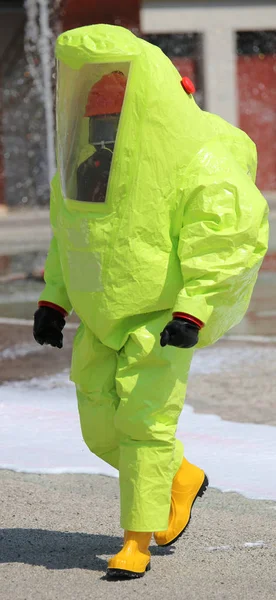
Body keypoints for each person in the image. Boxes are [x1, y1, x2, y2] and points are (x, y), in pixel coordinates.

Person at [33, 24, 269, 579]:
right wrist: (53, 300)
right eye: (99, 122)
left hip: (160, 320)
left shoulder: (197, 166)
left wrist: (194, 309)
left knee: (144, 428)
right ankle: (181, 477)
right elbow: (71, 235)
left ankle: (136, 541)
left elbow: (225, 239)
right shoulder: (88, 169)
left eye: (115, 120)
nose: (105, 131)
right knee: (99, 430)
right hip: (101, 316)